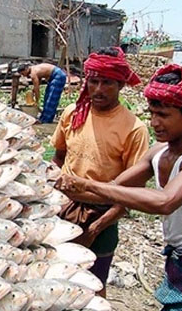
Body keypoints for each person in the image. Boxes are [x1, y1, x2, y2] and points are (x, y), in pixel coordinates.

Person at [57, 64, 182, 310]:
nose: (155, 123)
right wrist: (53, 185)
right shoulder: (159, 152)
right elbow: (114, 187)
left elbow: (164, 202)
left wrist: (86, 184)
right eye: (151, 114)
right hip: (180, 266)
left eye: (163, 115)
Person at [50, 47, 149, 297]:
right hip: (63, 207)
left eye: (107, 83)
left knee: (94, 286)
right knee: (56, 278)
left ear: (121, 86)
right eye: (93, 81)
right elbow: (59, 156)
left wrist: (95, 230)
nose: (98, 89)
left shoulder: (133, 129)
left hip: (102, 214)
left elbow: (132, 193)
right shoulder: (74, 113)